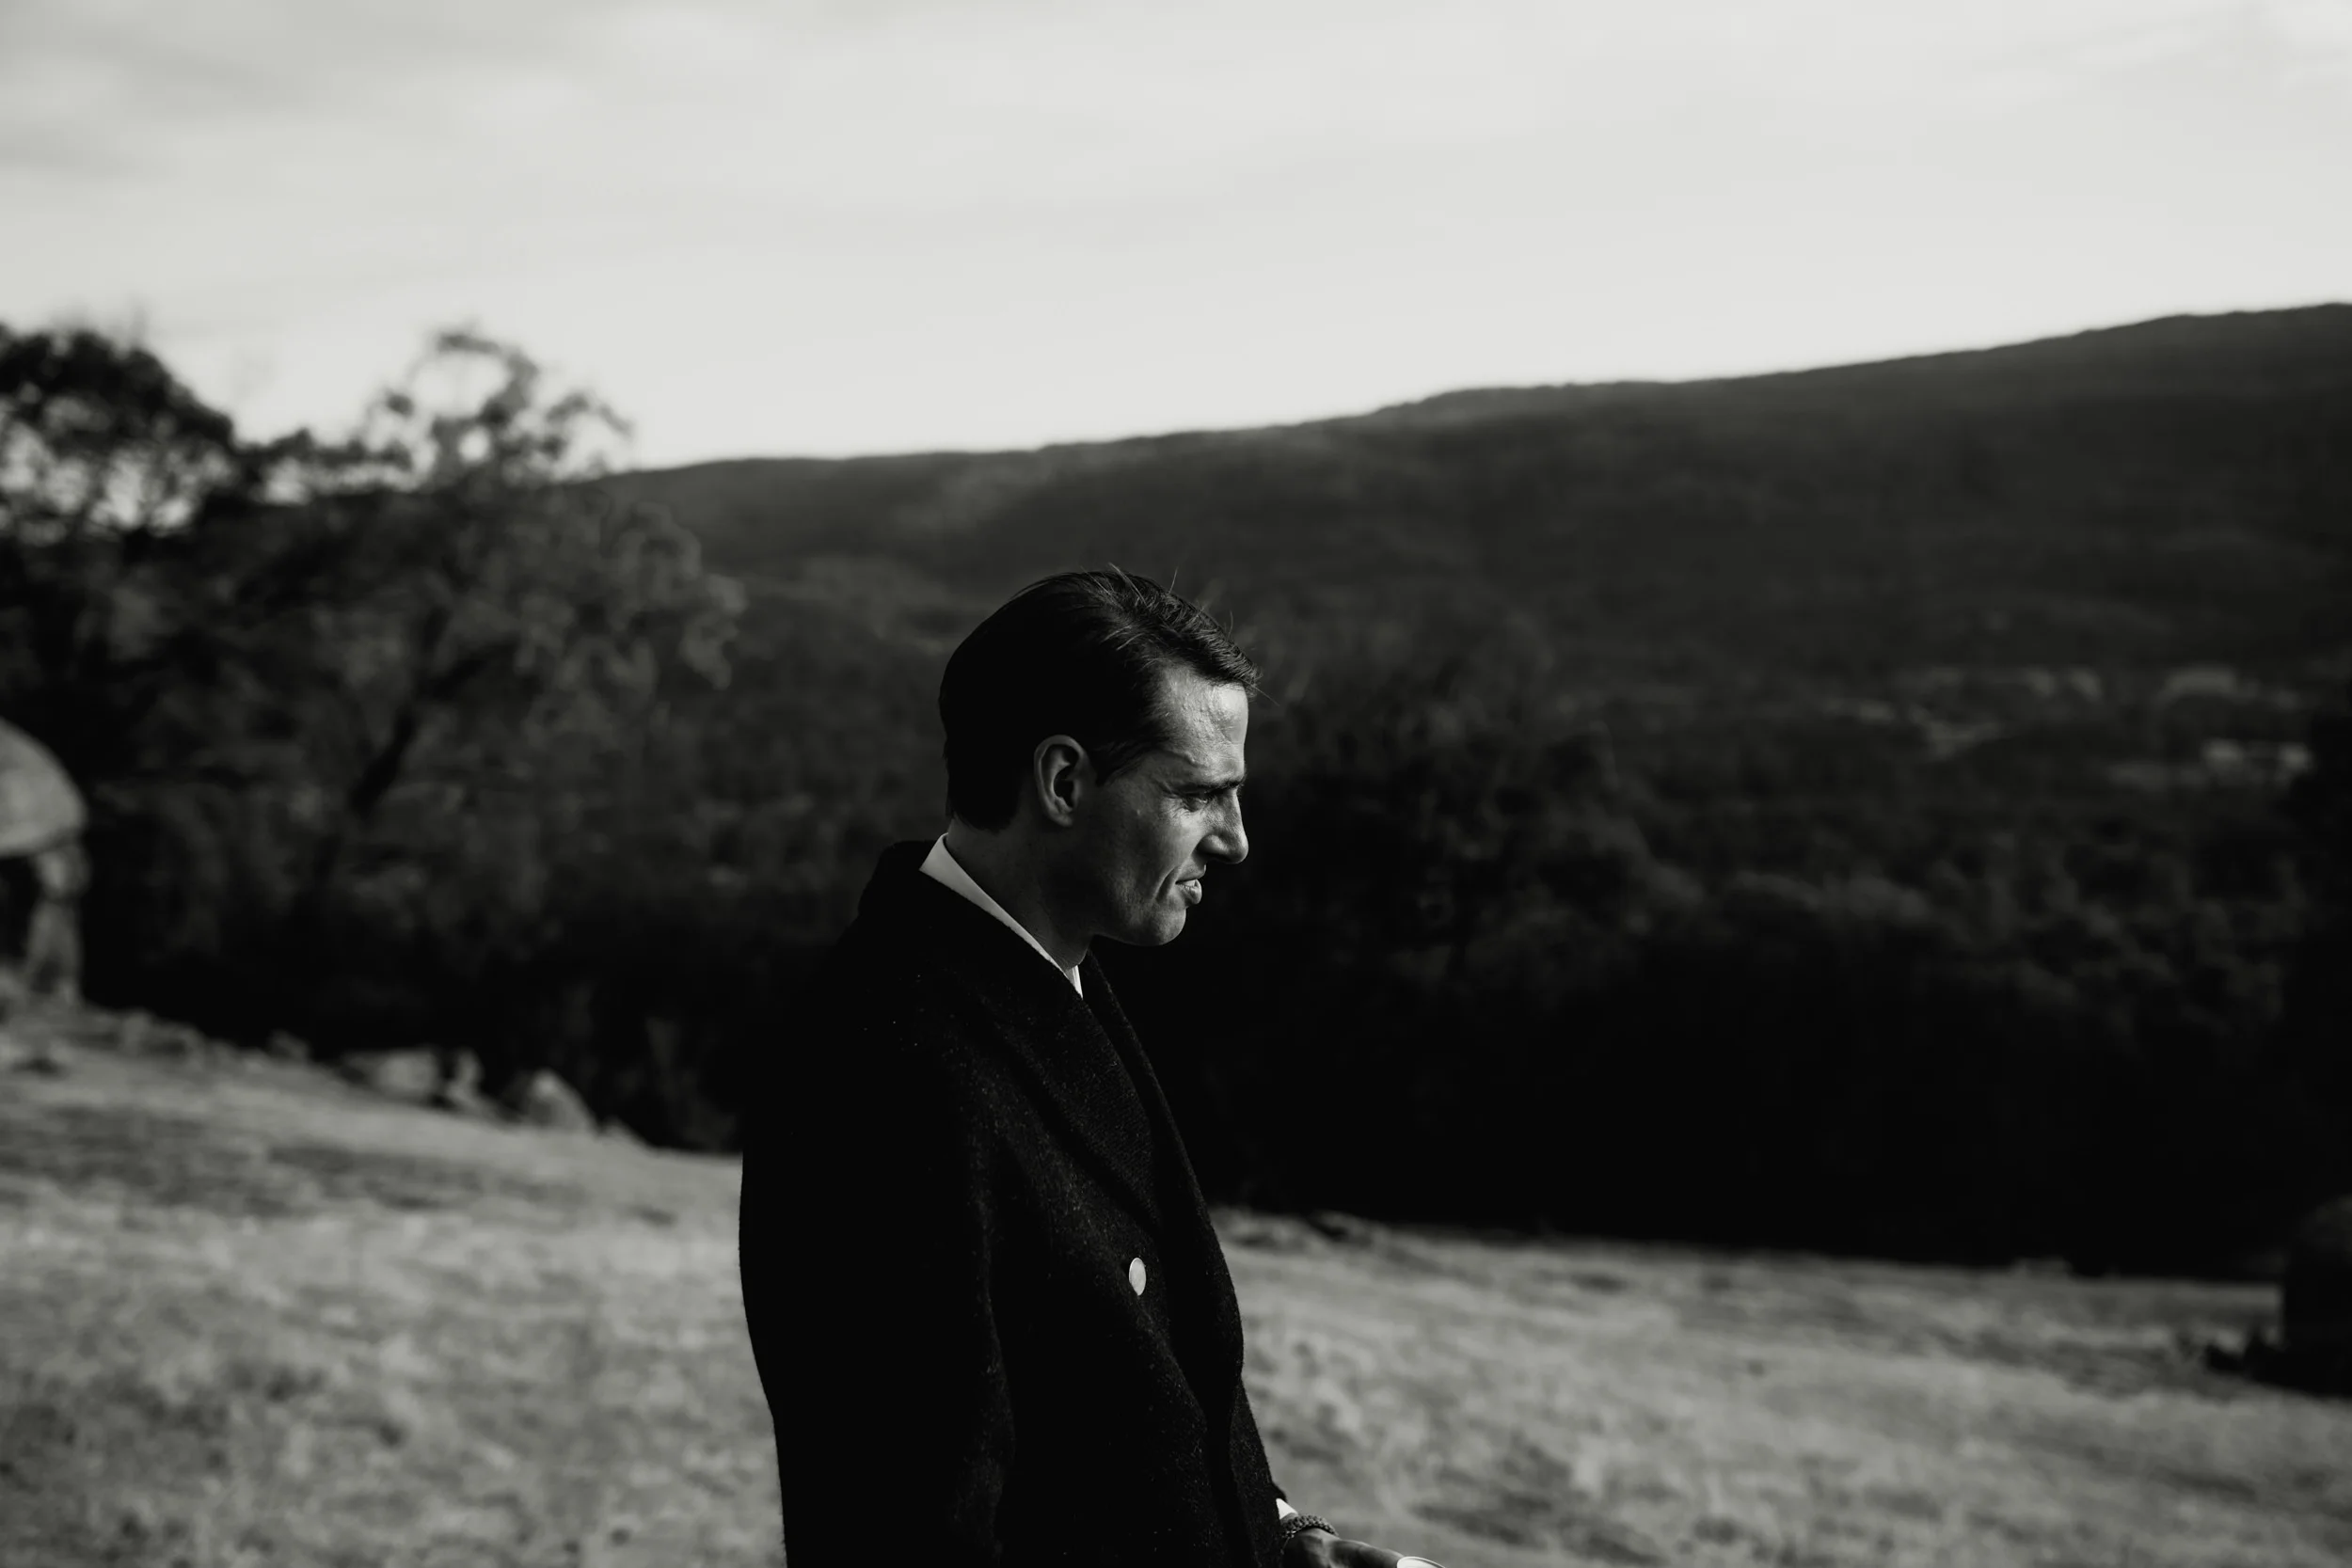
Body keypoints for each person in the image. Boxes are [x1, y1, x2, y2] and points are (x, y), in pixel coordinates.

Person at [739, 571, 1450, 1566]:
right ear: (1064, 783)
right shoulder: (889, 1074)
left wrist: (1287, 1541)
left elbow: (1113, 1418)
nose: (1236, 840)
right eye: (1198, 793)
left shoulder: (1048, 977)